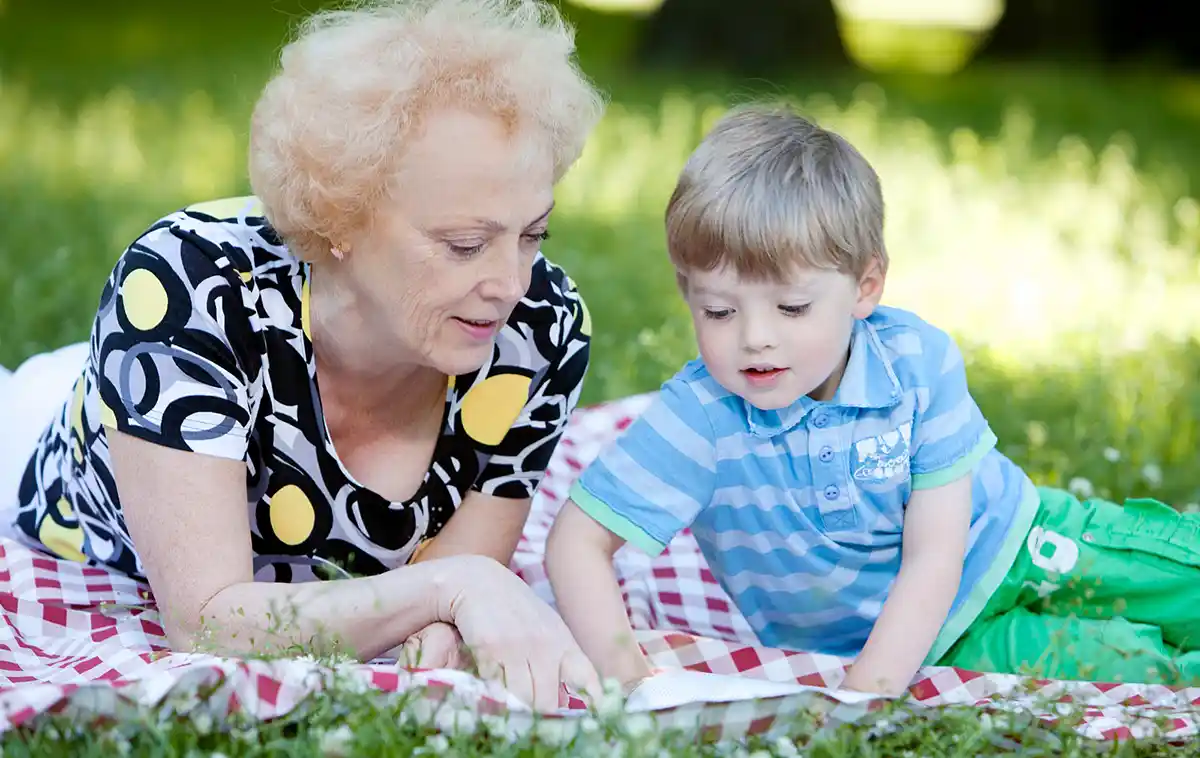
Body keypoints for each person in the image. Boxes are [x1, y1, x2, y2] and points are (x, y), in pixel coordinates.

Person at [4, 0, 607, 712]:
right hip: (75, 456)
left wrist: (454, 597)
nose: (509, 283)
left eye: (533, 233)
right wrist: (454, 589)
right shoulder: (185, 288)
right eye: (465, 245)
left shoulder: (542, 325)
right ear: (341, 219)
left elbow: (453, 592)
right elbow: (206, 620)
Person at [545, 103, 1200, 696]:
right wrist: (633, 687)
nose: (754, 338)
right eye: (718, 311)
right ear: (688, 292)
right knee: (1135, 670)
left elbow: (935, 554)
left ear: (865, 287)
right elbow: (575, 542)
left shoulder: (915, 362)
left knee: (1178, 580)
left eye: (793, 306)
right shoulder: (701, 417)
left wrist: (866, 692)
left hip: (1022, 541)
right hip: (939, 646)